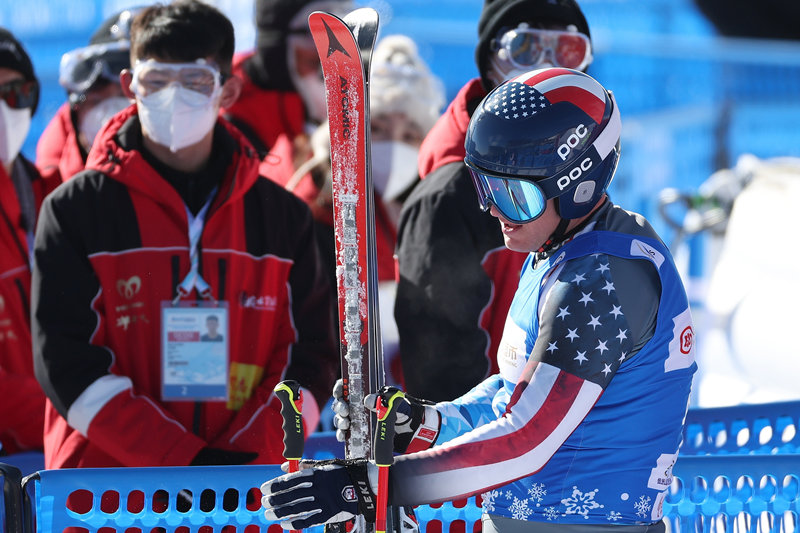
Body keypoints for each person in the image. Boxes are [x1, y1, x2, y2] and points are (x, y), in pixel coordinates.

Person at [261, 68, 697, 533]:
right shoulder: (557, 249)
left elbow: (527, 439)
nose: (492, 208)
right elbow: (513, 393)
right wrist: (427, 422)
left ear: (577, 185)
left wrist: (371, 486)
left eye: (513, 194)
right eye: (485, 186)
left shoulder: (599, 280)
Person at [31, 0, 338, 469]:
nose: (174, 97)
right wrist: (185, 462)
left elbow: (310, 358)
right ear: (130, 86)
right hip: (107, 492)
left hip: (248, 487)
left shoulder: (282, 219)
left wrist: (246, 459)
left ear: (228, 91)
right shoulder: (76, 211)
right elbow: (67, 362)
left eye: (196, 81)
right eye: (156, 81)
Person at [395, 0, 594, 401]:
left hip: (557, 425)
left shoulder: (576, 171)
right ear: (490, 64)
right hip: (497, 432)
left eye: (567, 51)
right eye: (524, 49)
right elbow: (439, 373)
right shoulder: (451, 195)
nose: (545, 67)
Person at [273, 34, 445, 386]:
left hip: (402, 394)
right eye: (378, 129)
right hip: (325, 389)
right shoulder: (313, 213)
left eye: (410, 134)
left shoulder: (432, 213)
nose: (394, 145)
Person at [0, 27, 54, 457]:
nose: (4, 108)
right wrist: (76, 413)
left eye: (15, 92)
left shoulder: (52, 196)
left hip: (61, 460)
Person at [221, 0, 354, 157]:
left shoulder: (304, 90)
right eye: (318, 29)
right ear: (279, 43)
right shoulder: (226, 109)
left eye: (344, 27)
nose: (336, 48)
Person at [36, 7, 143, 184]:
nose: (114, 115)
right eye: (96, 100)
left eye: (127, 95)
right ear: (77, 112)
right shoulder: (49, 186)